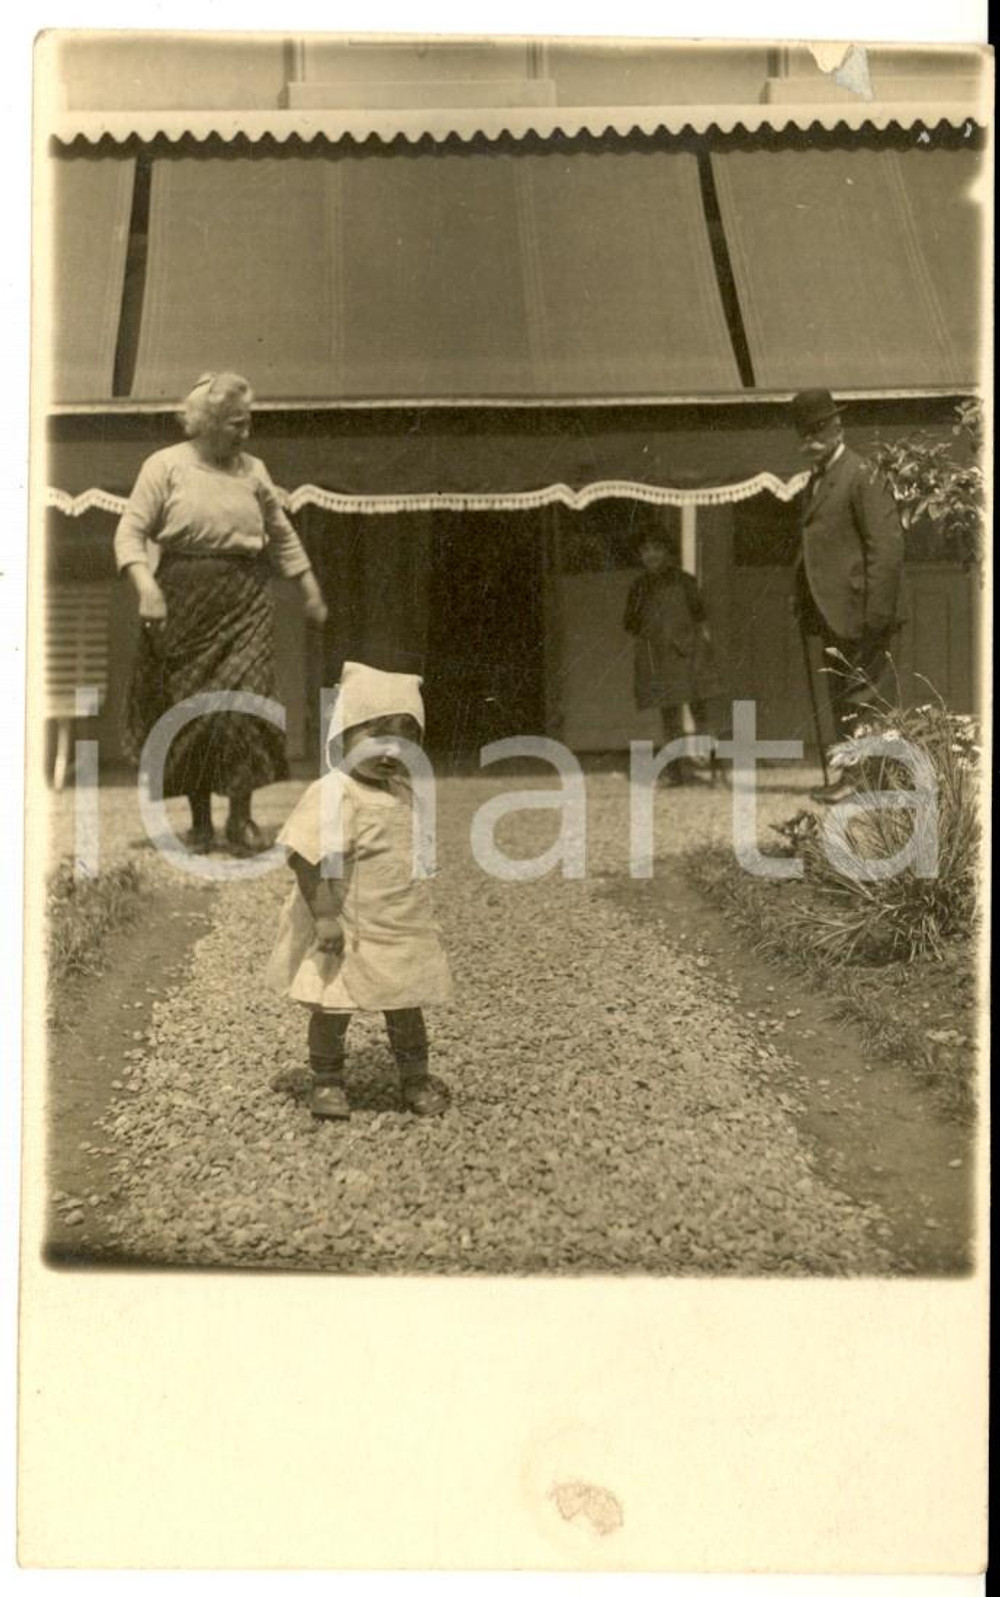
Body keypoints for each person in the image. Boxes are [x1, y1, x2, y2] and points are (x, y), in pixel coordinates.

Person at [114, 371, 329, 854]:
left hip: (245, 600)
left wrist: (310, 589)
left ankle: (241, 819)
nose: (245, 433)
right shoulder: (165, 466)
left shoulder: (253, 471)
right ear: (206, 424)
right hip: (183, 602)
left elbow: (281, 533)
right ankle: (201, 822)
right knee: (196, 715)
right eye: (236, 424)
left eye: (248, 423)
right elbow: (129, 533)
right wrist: (146, 586)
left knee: (245, 705)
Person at [266, 661, 452, 1120]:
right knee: (333, 1005)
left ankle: (415, 1079)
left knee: (406, 1002)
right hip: (346, 922)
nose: (390, 753)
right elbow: (305, 856)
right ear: (342, 737)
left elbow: (408, 846)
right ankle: (327, 1080)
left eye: (405, 742)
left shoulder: (403, 791)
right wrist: (325, 914)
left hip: (396, 921)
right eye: (373, 738)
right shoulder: (336, 792)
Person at [789, 388, 905, 804]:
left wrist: (877, 615)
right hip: (830, 614)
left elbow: (885, 547)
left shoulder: (861, 474)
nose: (811, 439)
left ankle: (872, 784)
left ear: (839, 426)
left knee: (865, 697)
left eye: (819, 428)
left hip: (861, 613)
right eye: (804, 432)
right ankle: (851, 778)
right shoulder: (815, 480)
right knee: (841, 697)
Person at [622, 528, 722, 784]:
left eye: (657, 548)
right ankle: (676, 771)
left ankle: (715, 768)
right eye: (645, 550)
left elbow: (700, 616)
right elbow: (631, 624)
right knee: (669, 716)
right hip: (659, 655)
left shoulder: (684, 581)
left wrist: (698, 649)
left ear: (667, 552)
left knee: (700, 710)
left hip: (688, 653)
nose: (651, 555)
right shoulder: (639, 587)